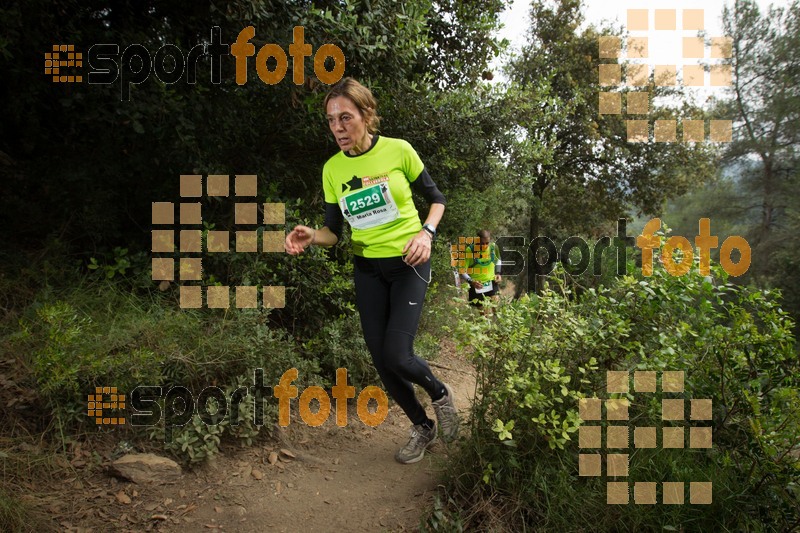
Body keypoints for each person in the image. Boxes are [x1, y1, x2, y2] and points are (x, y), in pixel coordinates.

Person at [285, 78, 459, 464]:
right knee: (382, 362)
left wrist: (426, 234)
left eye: (345, 117)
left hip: (409, 263)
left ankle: (440, 394)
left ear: (366, 115)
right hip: (367, 270)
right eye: (331, 121)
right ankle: (422, 427)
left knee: (398, 354)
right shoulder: (332, 169)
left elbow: (437, 199)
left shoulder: (399, 151)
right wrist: (312, 235)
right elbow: (334, 232)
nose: (338, 128)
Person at [461, 229, 502, 314]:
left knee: (497, 311)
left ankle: (498, 326)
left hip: (491, 282)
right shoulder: (470, 250)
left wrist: (498, 273)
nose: (485, 246)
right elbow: (462, 270)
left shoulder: (493, 247)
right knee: (484, 316)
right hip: (477, 286)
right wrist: (471, 281)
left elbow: (498, 260)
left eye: (487, 243)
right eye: (482, 243)